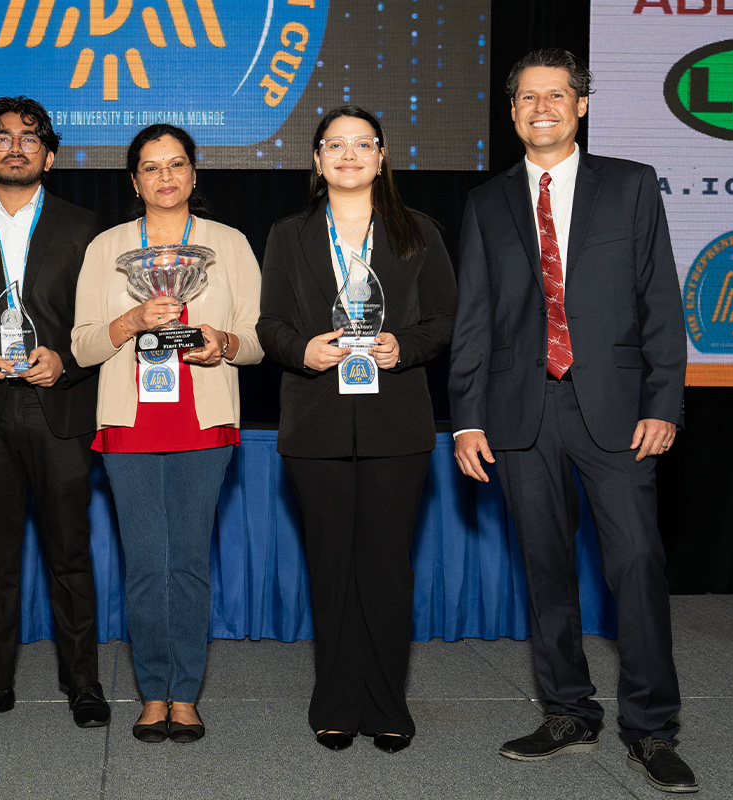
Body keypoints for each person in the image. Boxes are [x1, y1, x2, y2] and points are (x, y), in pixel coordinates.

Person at [448, 49, 696, 793]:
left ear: (581, 105)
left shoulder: (630, 185)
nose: (542, 108)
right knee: (545, 568)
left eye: (556, 95)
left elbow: (661, 300)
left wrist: (662, 403)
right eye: (528, 97)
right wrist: (466, 419)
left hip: (617, 411)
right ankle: (567, 713)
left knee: (637, 564)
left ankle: (651, 729)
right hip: (521, 412)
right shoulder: (487, 202)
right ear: (512, 111)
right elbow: (474, 318)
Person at [257, 106, 456, 754]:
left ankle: (387, 703)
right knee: (331, 565)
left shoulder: (418, 231)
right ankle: (336, 702)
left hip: (396, 424)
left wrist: (406, 345)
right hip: (314, 425)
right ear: (317, 159)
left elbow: (447, 318)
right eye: (335, 145)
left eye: (362, 144)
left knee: (386, 568)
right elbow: (270, 322)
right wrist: (301, 350)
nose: (349, 154)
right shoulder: (288, 234)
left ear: (381, 155)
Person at [71, 124, 262, 744]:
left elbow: (258, 340)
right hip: (130, 422)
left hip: (202, 420)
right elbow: (82, 346)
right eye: (151, 167)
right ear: (134, 181)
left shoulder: (228, 244)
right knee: (146, 564)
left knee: (188, 563)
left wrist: (222, 342)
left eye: (176, 164)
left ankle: (186, 696)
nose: (165, 177)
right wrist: (130, 320)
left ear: (194, 173)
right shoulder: (107, 247)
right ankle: (153, 692)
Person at [0, 97, 108, 728]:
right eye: (3, 139)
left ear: (50, 156)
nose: (16, 147)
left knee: (70, 556)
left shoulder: (87, 227)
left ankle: (83, 684)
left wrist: (67, 359)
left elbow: (101, 320)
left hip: (59, 407)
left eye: (30, 138)